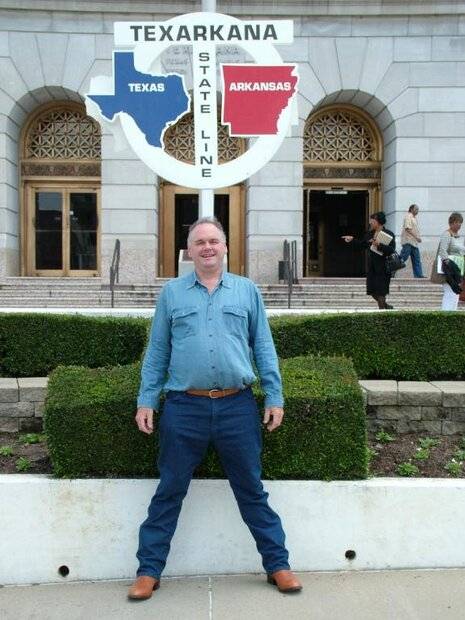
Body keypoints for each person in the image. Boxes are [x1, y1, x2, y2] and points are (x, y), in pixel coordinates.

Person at [128, 216, 302, 601]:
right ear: (189, 251)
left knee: (251, 490)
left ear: (225, 247)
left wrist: (274, 395)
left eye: (214, 241)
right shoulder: (172, 294)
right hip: (183, 408)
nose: (207, 247)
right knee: (169, 490)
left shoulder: (246, 291)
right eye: (199, 242)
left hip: (236, 407)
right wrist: (146, 399)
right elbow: (157, 352)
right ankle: (148, 571)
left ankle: (278, 565)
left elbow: (264, 348)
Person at [342, 211, 396, 310]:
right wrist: (352, 239)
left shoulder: (389, 234)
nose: (370, 222)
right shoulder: (369, 234)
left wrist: (379, 245)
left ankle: (382, 313)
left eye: (373, 220)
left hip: (383, 267)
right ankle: (386, 306)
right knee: (371, 291)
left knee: (381, 291)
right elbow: (362, 244)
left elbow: (391, 250)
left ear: (379, 221)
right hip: (372, 267)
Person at [431, 212, 465, 311]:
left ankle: (452, 315)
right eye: (457, 222)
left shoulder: (458, 236)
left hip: (457, 269)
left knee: (455, 294)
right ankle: (446, 315)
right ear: (451, 222)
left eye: (460, 222)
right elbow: (442, 251)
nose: (459, 224)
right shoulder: (447, 234)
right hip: (449, 270)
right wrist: (449, 264)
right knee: (450, 292)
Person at [399, 204, 424, 278]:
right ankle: (392, 269)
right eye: (416, 209)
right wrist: (417, 237)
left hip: (414, 243)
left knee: (416, 259)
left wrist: (417, 238)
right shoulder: (408, 216)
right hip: (408, 241)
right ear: (411, 209)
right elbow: (407, 228)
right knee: (403, 257)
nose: (417, 211)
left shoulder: (414, 218)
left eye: (418, 209)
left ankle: (419, 275)